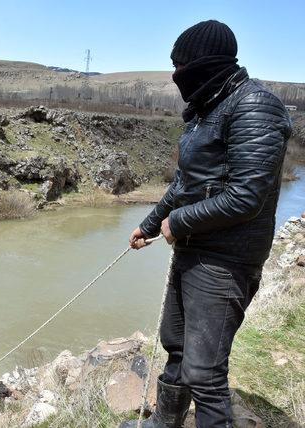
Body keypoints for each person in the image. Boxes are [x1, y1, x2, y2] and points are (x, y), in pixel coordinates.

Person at [123, 20, 292, 428]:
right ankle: (164, 423)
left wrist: (177, 223)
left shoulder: (256, 107)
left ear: (204, 63)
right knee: (175, 344)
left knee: (206, 372)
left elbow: (246, 197)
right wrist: (149, 225)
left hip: (226, 261)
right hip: (193, 250)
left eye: (180, 65)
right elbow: (184, 184)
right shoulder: (205, 110)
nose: (175, 74)